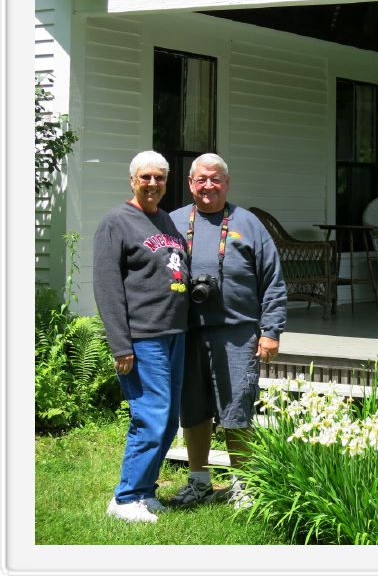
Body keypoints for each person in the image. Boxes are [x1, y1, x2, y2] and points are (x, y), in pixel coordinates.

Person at [169, 153, 287, 508]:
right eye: (201, 179)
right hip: (187, 333)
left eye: (216, 179)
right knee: (192, 409)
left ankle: (243, 485)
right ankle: (199, 481)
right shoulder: (173, 222)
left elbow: (273, 281)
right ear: (190, 184)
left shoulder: (247, 223)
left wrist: (271, 330)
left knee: (237, 410)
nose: (208, 186)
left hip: (237, 332)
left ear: (227, 183)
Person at [94, 151, 189, 523]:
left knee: (168, 420)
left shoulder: (165, 220)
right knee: (150, 415)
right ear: (132, 180)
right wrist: (121, 344)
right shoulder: (116, 222)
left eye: (160, 178)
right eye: (146, 177)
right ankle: (125, 497)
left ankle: (145, 492)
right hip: (143, 336)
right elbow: (107, 287)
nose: (153, 184)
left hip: (174, 333)